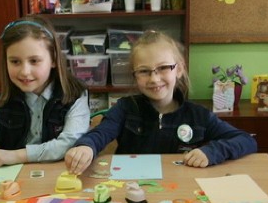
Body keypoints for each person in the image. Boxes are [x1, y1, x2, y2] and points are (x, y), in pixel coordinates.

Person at [64, 30, 257, 174]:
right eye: (144, 71)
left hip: (181, 190)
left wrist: (212, 151)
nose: (154, 79)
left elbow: (246, 140)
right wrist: (86, 146)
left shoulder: (198, 115)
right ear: (135, 75)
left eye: (163, 68)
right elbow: (100, 134)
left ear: (179, 69)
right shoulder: (125, 108)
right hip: (131, 190)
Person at [0, 16, 89, 178]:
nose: (24, 72)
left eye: (34, 61)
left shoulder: (74, 95)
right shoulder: (6, 99)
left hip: (59, 178)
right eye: (15, 62)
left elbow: (69, 143)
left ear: (54, 59)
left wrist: (16, 156)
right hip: (13, 182)